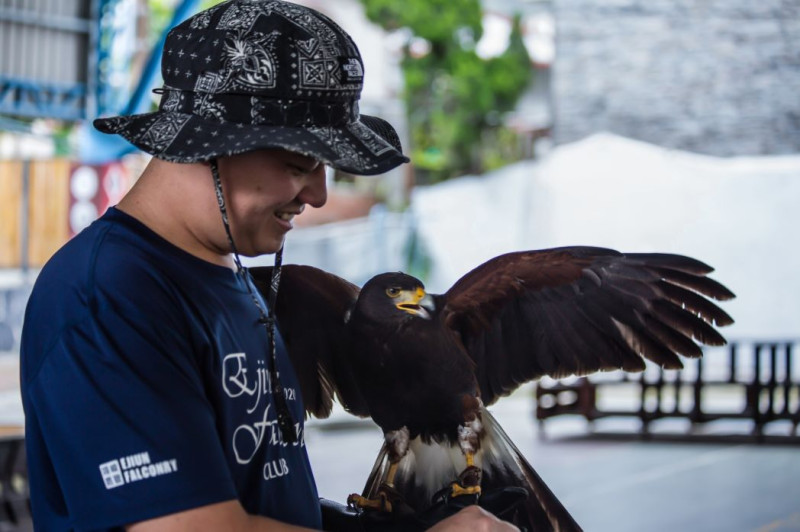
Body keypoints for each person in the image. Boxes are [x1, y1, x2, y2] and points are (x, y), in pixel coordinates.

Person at [20, 1, 520, 530]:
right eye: (299, 163)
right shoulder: (109, 297)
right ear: (208, 143)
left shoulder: (233, 281)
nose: (320, 194)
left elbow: (268, 508)